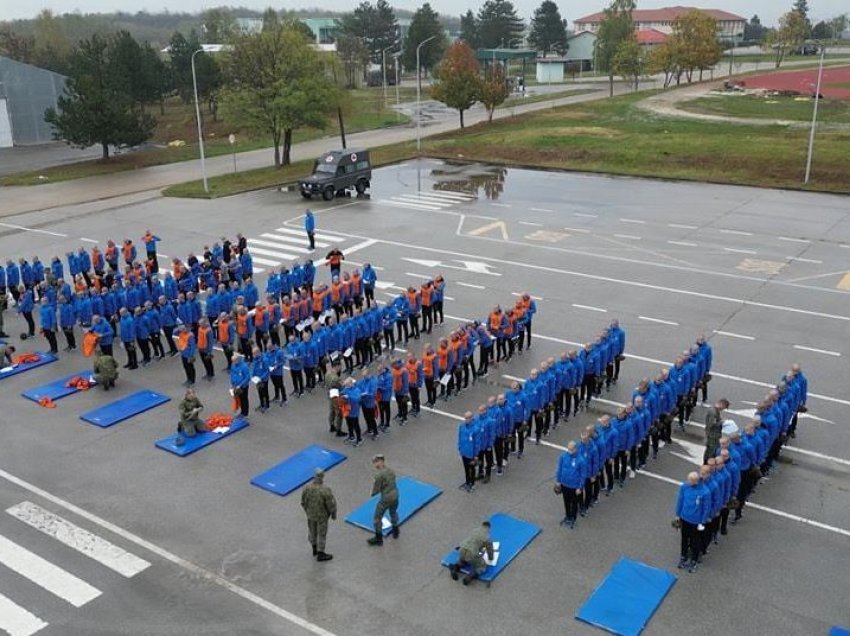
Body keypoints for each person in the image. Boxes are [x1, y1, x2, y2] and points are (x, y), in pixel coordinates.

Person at [674, 471, 710, 573]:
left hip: (696, 522)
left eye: (690, 480)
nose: (687, 482)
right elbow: (680, 500)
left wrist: (702, 522)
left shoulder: (705, 492)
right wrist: (677, 515)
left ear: (696, 481)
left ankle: (694, 560)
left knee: (695, 542)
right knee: (684, 539)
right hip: (684, 518)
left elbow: (706, 508)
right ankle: (683, 556)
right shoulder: (684, 487)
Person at [301, 468, 336, 562]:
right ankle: (321, 553)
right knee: (321, 533)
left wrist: (307, 511)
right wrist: (333, 514)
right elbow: (331, 504)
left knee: (312, 531)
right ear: (322, 477)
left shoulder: (307, 488)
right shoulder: (325, 490)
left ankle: (314, 548)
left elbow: (303, 502)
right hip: (322, 516)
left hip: (311, 515)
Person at [367, 454, 399, 546]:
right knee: (393, 512)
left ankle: (378, 538)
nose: (375, 464)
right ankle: (395, 530)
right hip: (395, 494)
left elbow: (376, 489)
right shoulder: (391, 471)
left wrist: (372, 494)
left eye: (375, 462)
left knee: (377, 518)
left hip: (386, 498)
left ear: (380, 462)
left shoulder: (378, 475)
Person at [449, 520, 494, 586]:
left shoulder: (474, 531)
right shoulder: (487, 538)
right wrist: (491, 558)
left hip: (462, 549)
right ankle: (469, 577)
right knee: (481, 566)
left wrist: (459, 547)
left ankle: (455, 568)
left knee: (462, 560)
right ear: (488, 528)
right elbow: (490, 550)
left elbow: (469, 540)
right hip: (471, 554)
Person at [555, 441, 587, 529]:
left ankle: (573, 518)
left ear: (575, 449)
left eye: (571, 449)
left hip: (574, 487)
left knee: (574, 503)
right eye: (568, 449)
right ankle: (567, 516)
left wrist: (580, 487)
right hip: (564, 484)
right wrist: (558, 481)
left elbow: (583, 475)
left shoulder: (581, 460)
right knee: (566, 502)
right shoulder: (563, 456)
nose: (569, 451)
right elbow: (559, 468)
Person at [458, 412, 479, 492]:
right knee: (466, 468)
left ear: (471, 418)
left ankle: (472, 483)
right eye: (465, 418)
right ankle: (467, 482)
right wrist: (459, 449)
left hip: (471, 454)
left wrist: (476, 454)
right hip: (464, 452)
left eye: (467, 418)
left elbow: (477, 443)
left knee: (472, 468)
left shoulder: (475, 429)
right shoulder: (462, 426)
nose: (466, 420)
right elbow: (460, 438)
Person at [704, 398, 729, 463]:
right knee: (711, 452)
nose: (723, 409)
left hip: (713, 434)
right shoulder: (713, 412)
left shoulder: (715, 410)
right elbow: (711, 424)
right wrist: (721, 422)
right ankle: (708, 464)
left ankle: (706, 463)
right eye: (724, 407)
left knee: (709, 450)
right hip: (713, 435)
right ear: (721, 404)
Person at [230, 353, 251, 417]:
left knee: (244, 399)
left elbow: (247, 377)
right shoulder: (233, 365)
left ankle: (245, 413)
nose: (233, 362)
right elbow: (232, 374)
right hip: (236, 386)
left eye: (234, 361)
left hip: (243, 387)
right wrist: (232, 383)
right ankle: (242, 412)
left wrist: (240, 385)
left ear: (238, 360)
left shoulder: (244, 367)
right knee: (240, 399)